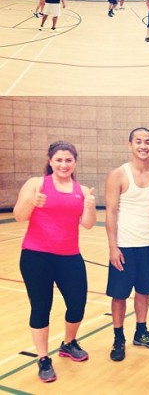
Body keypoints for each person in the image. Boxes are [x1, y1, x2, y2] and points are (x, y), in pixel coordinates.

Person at [13, 141, 96, 383]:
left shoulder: (80, 189)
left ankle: (68, 343)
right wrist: (32, 202)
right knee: (41, 307)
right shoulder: (36, 184)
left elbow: (88, 224)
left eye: (68, 160)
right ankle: (42, 358)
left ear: (75, 163)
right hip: (36, 256)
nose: (63, 164)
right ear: (50, 161)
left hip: (69, 256)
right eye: (58, 159)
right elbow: (19, 215)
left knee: (78, 304)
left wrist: (89, 206)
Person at [105, 127, 149, 362]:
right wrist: (113, 247)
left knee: (144, 291)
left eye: (148, 142)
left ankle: (141, 332)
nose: (143, 146)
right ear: (129, 145)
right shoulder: (118, 175)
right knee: (119, 295)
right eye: (138, 142)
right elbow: (111, 212)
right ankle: (118, 337)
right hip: (124, 245)